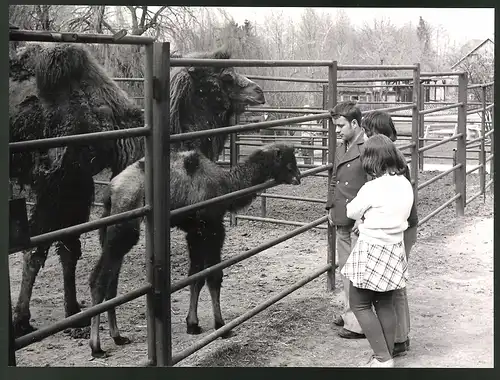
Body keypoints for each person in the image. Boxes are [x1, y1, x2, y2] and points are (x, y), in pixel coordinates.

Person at [341, 134, 414, 367]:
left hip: (372, 247)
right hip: (394, 247)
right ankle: (386, 354)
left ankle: (382, 358)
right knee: (384, 303)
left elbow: (351, 211)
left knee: (359, 303)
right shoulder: (404, 183)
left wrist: (361, 217)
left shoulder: (372, 187)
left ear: (372, 159)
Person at [360, 110, 418, 357]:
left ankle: (399, 339)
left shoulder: (390, 161)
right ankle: (397, 338)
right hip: (403, 224)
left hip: (399, 226)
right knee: (395, 284)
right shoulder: (390, 156)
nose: (364, 136)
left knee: (395, 286)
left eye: (367, 131)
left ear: (374, 132)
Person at [325, 101, 367, 339]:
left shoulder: (368, 146)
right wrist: (330, 205)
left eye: (340, 125)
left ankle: (358, 321)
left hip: (359, 221)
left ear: (354, 123)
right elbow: (335, 178)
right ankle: (350, 310)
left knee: (357, 271)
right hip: (342, 216)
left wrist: (364, 217)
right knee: (345, 269)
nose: (337, 131)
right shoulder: (343, 145)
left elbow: (373, 183)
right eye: (335, 126)